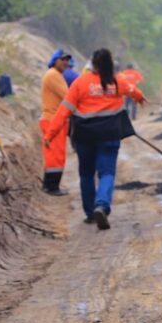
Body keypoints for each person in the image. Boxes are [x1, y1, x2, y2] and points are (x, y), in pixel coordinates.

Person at [46, 48, 146, 229]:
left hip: (84, 137)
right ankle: (102, 205)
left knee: (86, 174)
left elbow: (63, 111)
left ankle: (90, 213)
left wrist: (50, 134)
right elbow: (133, 91)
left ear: (92, 63)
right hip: (109, 135)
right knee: (107, 173)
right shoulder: (116, 81)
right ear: (110, 63)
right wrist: (140, 98)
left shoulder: (80, 83)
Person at [40, 49, 73, 195]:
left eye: (67, 60)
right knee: (56, 155)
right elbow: (68, 97)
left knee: (53, 154)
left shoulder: (56, 75)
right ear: (55, 60)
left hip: (53, 120)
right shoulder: (53, 75)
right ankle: (52, 187)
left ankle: (49, 185)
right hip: (53, 120)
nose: (66, 62)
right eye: (63, 59)